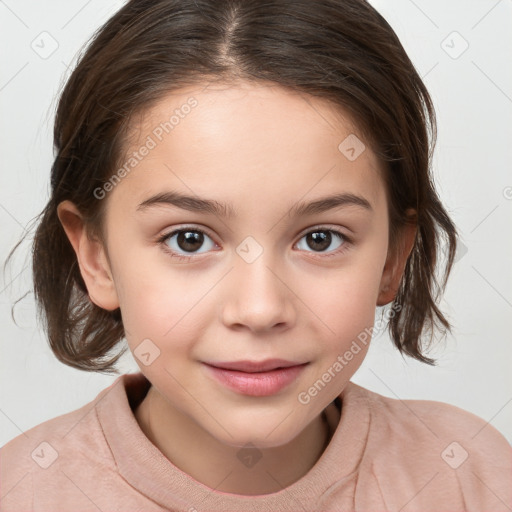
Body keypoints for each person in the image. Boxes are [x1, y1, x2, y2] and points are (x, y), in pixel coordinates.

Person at [1, 0, 510, 510]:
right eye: (189, 239)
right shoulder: (21, 492)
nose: (260, 309)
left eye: (320, 239)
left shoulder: (469, 475)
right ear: (96, 257)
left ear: (393, 257)